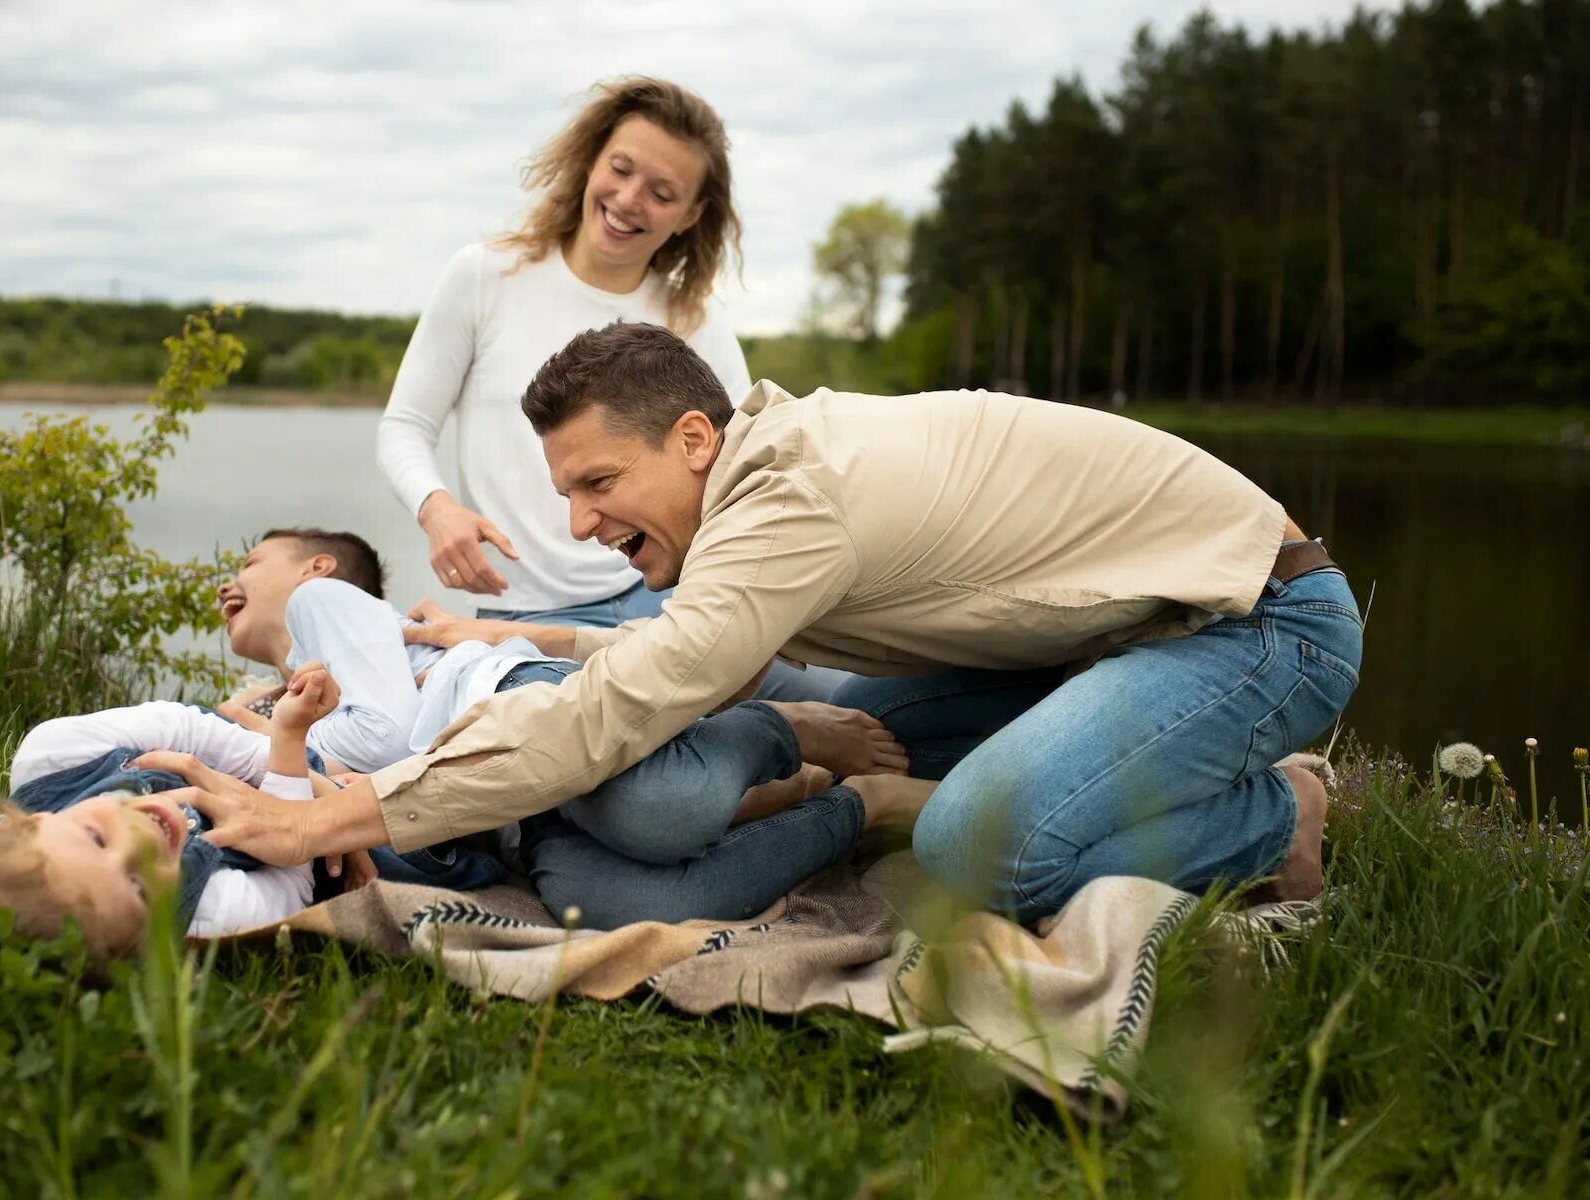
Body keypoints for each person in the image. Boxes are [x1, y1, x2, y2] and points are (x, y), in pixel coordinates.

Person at [187, 321, 1363, 927]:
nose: (582, 522)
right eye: (566, 495)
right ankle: (1165, 768)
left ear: (694, 439)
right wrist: (536, 642)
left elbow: (632, 703)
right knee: (848, 715)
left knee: (968, 850)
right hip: (1115, 641)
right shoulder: (760, 478)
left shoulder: (792, 498)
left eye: (599, 484)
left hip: (1258, 627)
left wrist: (333, 816)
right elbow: (682, 652)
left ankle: (1276, 812)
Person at [199, 528, 925, 928]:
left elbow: (387, 740)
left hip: (517, 714)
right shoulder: (270, 702)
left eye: (252, 560)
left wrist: (294, 752)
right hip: (502, 820)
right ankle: (858, 807)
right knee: (640, 908)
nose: (231, 580)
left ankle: (776, 730)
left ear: (315, 568)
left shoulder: (320, 604)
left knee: (661, 811)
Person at [375, 75, 836, 701]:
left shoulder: (696, 318)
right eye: (619, 169)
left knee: (836, 695)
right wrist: (438, 509)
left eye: (661, 192)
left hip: (675, 599)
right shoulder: (485, 277)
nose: (628, 200)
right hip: (524, 617)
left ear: (690, 215)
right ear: (590, 160)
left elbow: (745, 458)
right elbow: (405, 426)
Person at [0, 666, 347, 970]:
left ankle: (252, 718)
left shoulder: (52, 757)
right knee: (373, 824)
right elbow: (290, 886)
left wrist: (284, 765)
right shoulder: (208, 915)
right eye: (138, 887)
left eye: (96, 839)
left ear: (28, 823)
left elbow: (183, 727)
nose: (141, 843)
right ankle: (282, 730)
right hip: (292, 808)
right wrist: (291, 752)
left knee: (325, 764)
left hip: (222, 749)